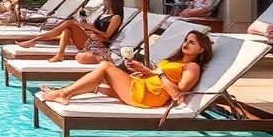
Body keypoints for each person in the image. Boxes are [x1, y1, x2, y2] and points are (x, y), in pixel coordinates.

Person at [40, 30, 213, 107]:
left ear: (201, 49)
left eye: (192, 42)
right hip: (143, 86)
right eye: (185, 40)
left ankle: (63, 94)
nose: (185, 44)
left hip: (148, 96)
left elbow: (178, 96)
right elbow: (159, 76)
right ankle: (61, 91)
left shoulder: (192, 67)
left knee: (106, 67)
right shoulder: (177, 60)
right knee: (99, 84)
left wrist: (158, 74)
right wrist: (144, 71)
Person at [16, 0, 125, 64]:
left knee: (69, 23)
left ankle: (35, 40)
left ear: (113, 2)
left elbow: (107, 35)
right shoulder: (103, 13)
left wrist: (92, 29)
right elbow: (93, 26)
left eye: (106, 0)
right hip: (88, 37)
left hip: (96, 43)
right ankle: (60, 54)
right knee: (67, 29)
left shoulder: (116, 17)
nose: (104, 2)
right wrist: (85, 23)